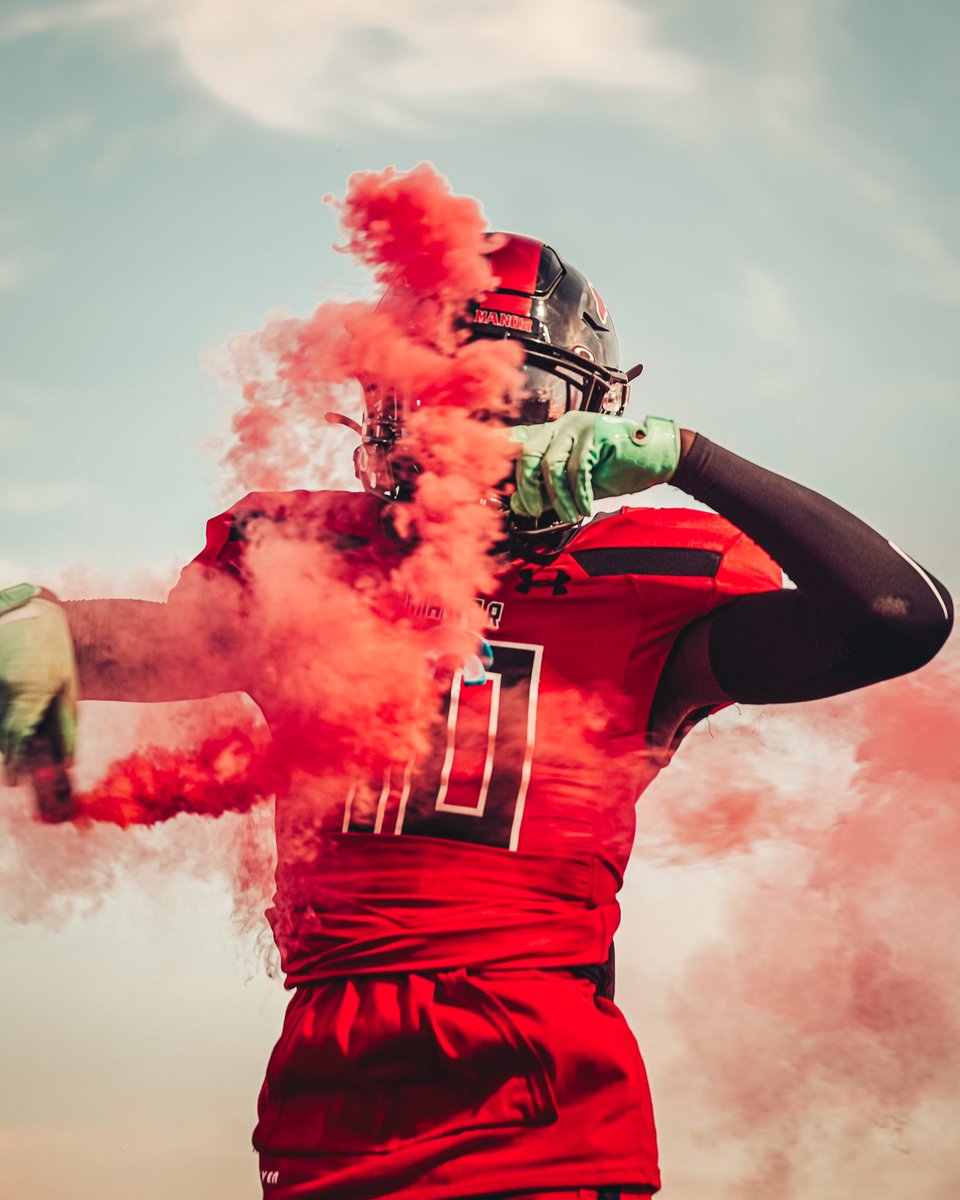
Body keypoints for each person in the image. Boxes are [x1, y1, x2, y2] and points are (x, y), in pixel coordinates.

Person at [0, 233, 952, 1200]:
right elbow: (145, 642)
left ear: (591, 414)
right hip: (319, 1098)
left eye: (517, 402)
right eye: (435, 400)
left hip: (537, 1100)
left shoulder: (640, 589)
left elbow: (898, 619)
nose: (470, 435)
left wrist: (685, 457)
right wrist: (32, 627)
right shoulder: (309, 567)